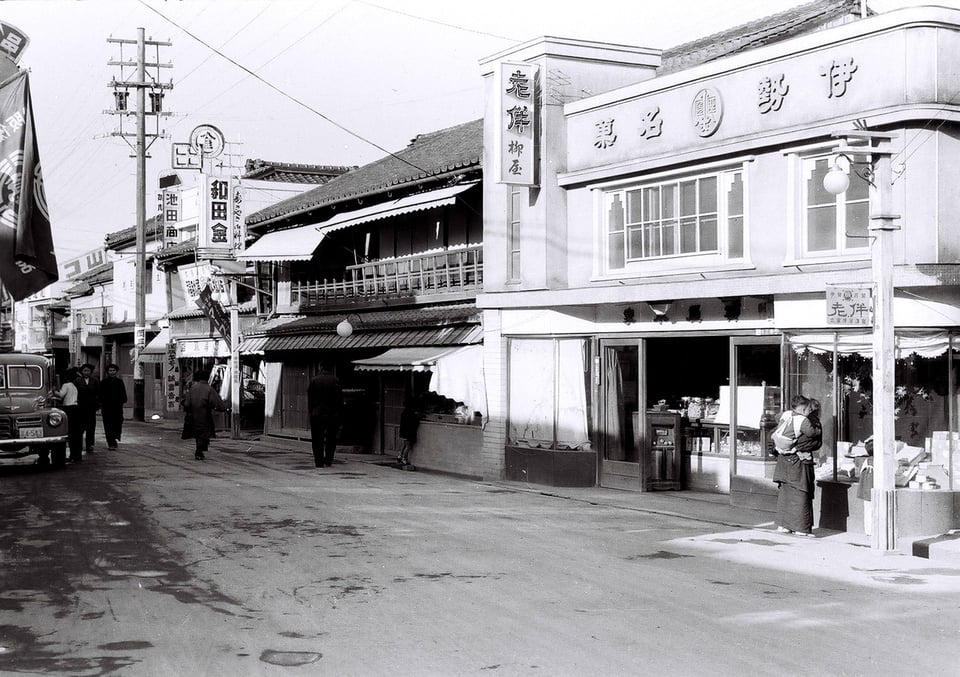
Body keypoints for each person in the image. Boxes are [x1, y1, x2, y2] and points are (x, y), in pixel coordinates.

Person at [773, 397, 823, 538]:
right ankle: (801, 527)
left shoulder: (787, 416)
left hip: (783, 460)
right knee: (801, 494)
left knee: (785, 494)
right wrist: (817, 430)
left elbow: (778, 419)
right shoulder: (806, 422)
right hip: (798, 463)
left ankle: (783, 525)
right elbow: (814, 439)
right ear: (804, 410)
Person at [181, 370, 227, 461]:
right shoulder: (209, 389)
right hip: (205, 415)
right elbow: (217, 403)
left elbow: (186, 404)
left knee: (198, 433)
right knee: (204, 433)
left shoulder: (193, 388)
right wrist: (222, 408)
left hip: (193, 416)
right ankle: (199, 451)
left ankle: (199, 450)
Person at [307, 362, 343, 468]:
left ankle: (319, 462)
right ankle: (328, 460)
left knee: (317, 439)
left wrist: (311, 412)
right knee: (331, 438)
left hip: (317, 414)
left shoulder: (314, 380)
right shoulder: (335, 380)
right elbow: (339, 400)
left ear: (320, 367)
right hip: (332, 414)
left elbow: (310, 400)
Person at [57, 367, 83, 463]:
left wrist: (54, 391)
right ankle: (77, 455)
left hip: (68, 409)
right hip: (76, 409)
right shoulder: (75, 385)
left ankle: (72, 455)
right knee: (77, 434)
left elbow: (60, 395)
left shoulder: (66, 385)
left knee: (70, 432)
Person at [99, 363, 127, 450]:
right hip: (106, 407)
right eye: (110, 370)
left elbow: (123, 395)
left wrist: (121, 401)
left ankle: (114, 438)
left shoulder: (119, 382)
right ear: (107, 372)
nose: (112, 372)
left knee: (117, 424)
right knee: (108, 425)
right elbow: (100, 395)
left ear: (116, 371)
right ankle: (110, 442)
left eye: (113, 370)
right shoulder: (103, 382)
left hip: (117, 408)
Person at [74, 364, 100, 453]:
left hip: (91, 408)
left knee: (91, 427)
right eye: (84, 371)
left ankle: (90, 445)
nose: (86, 372)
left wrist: (97, 405)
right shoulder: (77, 381)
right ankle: (79, 445)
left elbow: (98, 393)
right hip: (80, 407)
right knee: (80, 427)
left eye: (88, 371)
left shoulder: (95, 381)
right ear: (82, 372)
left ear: (91, 372)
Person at [397, 397, 420, 466]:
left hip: (403, 431)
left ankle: (399, 456)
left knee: (404, 444)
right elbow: (415, 421)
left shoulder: (404, 412)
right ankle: (404, 459)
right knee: (408, 446)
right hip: (408, 432)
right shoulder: (411, 413)